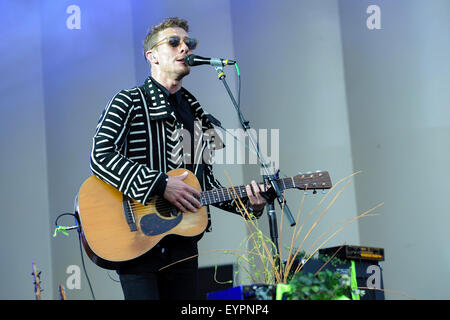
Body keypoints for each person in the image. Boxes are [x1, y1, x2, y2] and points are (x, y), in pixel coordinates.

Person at [90, 17, 267, 300]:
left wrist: (249, 205)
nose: (185, 48)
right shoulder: (128, 100)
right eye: (174, 42)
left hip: (183, 244)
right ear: (153, 56)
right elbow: (101, 156)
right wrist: (161, 184)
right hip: (136, 239)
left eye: (189, 43)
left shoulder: (196, 114)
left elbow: (204, 186)